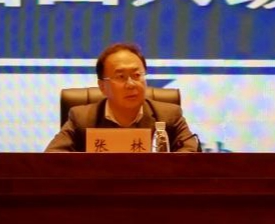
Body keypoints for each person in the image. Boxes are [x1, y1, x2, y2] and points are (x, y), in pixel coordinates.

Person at [45, 42, 200, 152]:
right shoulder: (82, 118)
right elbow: (52, 157)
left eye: (137, 75)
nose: (131, 84)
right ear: (102, 86)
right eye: (121, 77)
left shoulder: (169, 115)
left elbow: (191, 154)